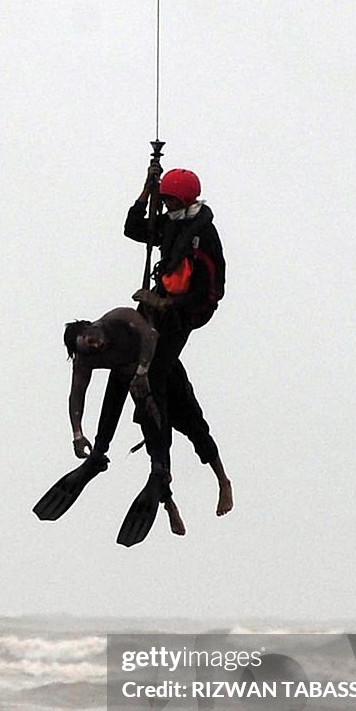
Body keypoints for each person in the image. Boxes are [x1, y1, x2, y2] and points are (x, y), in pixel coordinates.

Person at [65, 306, 232, 534]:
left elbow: (151, 335)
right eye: (89, 348)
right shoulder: (84, 358)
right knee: (157, 445)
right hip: (133, 382)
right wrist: (77, 433)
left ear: (93, 326)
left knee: (194, 427)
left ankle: (223, 481)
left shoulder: (118, 318)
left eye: (93, 340)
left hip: (161, 370)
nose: (96, 347)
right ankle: (167, 502)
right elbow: (77, 394)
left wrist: (143, 372)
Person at [124, 164, 232, 516]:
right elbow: (133, 229)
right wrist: (146, 193)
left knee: (154, 379)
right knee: (153, 381)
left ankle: (207, 478)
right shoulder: (171, 223)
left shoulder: (204, 236)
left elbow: (208, 291)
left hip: (181, 315)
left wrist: (164, 303)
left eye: (170, 201)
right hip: (160, 309)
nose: (167, 208)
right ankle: (167, 484)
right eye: (165, 202)